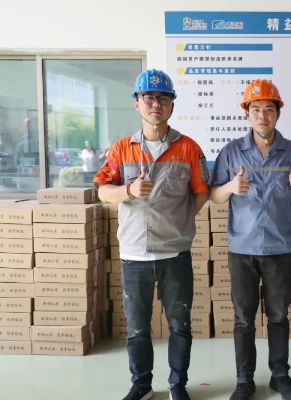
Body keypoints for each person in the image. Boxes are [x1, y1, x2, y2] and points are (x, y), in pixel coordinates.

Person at [94, 69, 209, 400]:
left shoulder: (189, 148)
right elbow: (102, 190)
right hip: (134, 255)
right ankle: (142, 385)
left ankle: (177, 385)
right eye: (149, 98)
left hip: (175, 253)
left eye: (163, 98)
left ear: (172, 104)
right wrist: (128, 190)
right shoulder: (122, 149)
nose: (156, 104)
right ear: (137, 103)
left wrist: (181, 219)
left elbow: (201, 192)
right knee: (137, 328)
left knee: (180, 326)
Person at [209, 80, 291, 400]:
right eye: (255, 109)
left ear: (278, 113)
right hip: (242, 250)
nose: (262, 115)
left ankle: (280, 375)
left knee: (279, 316)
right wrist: (230, 188)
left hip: (279, 249)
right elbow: (215, 196)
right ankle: (244, 380)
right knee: (243, 319)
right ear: (247, 114)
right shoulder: (231, 152)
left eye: (268, 109)